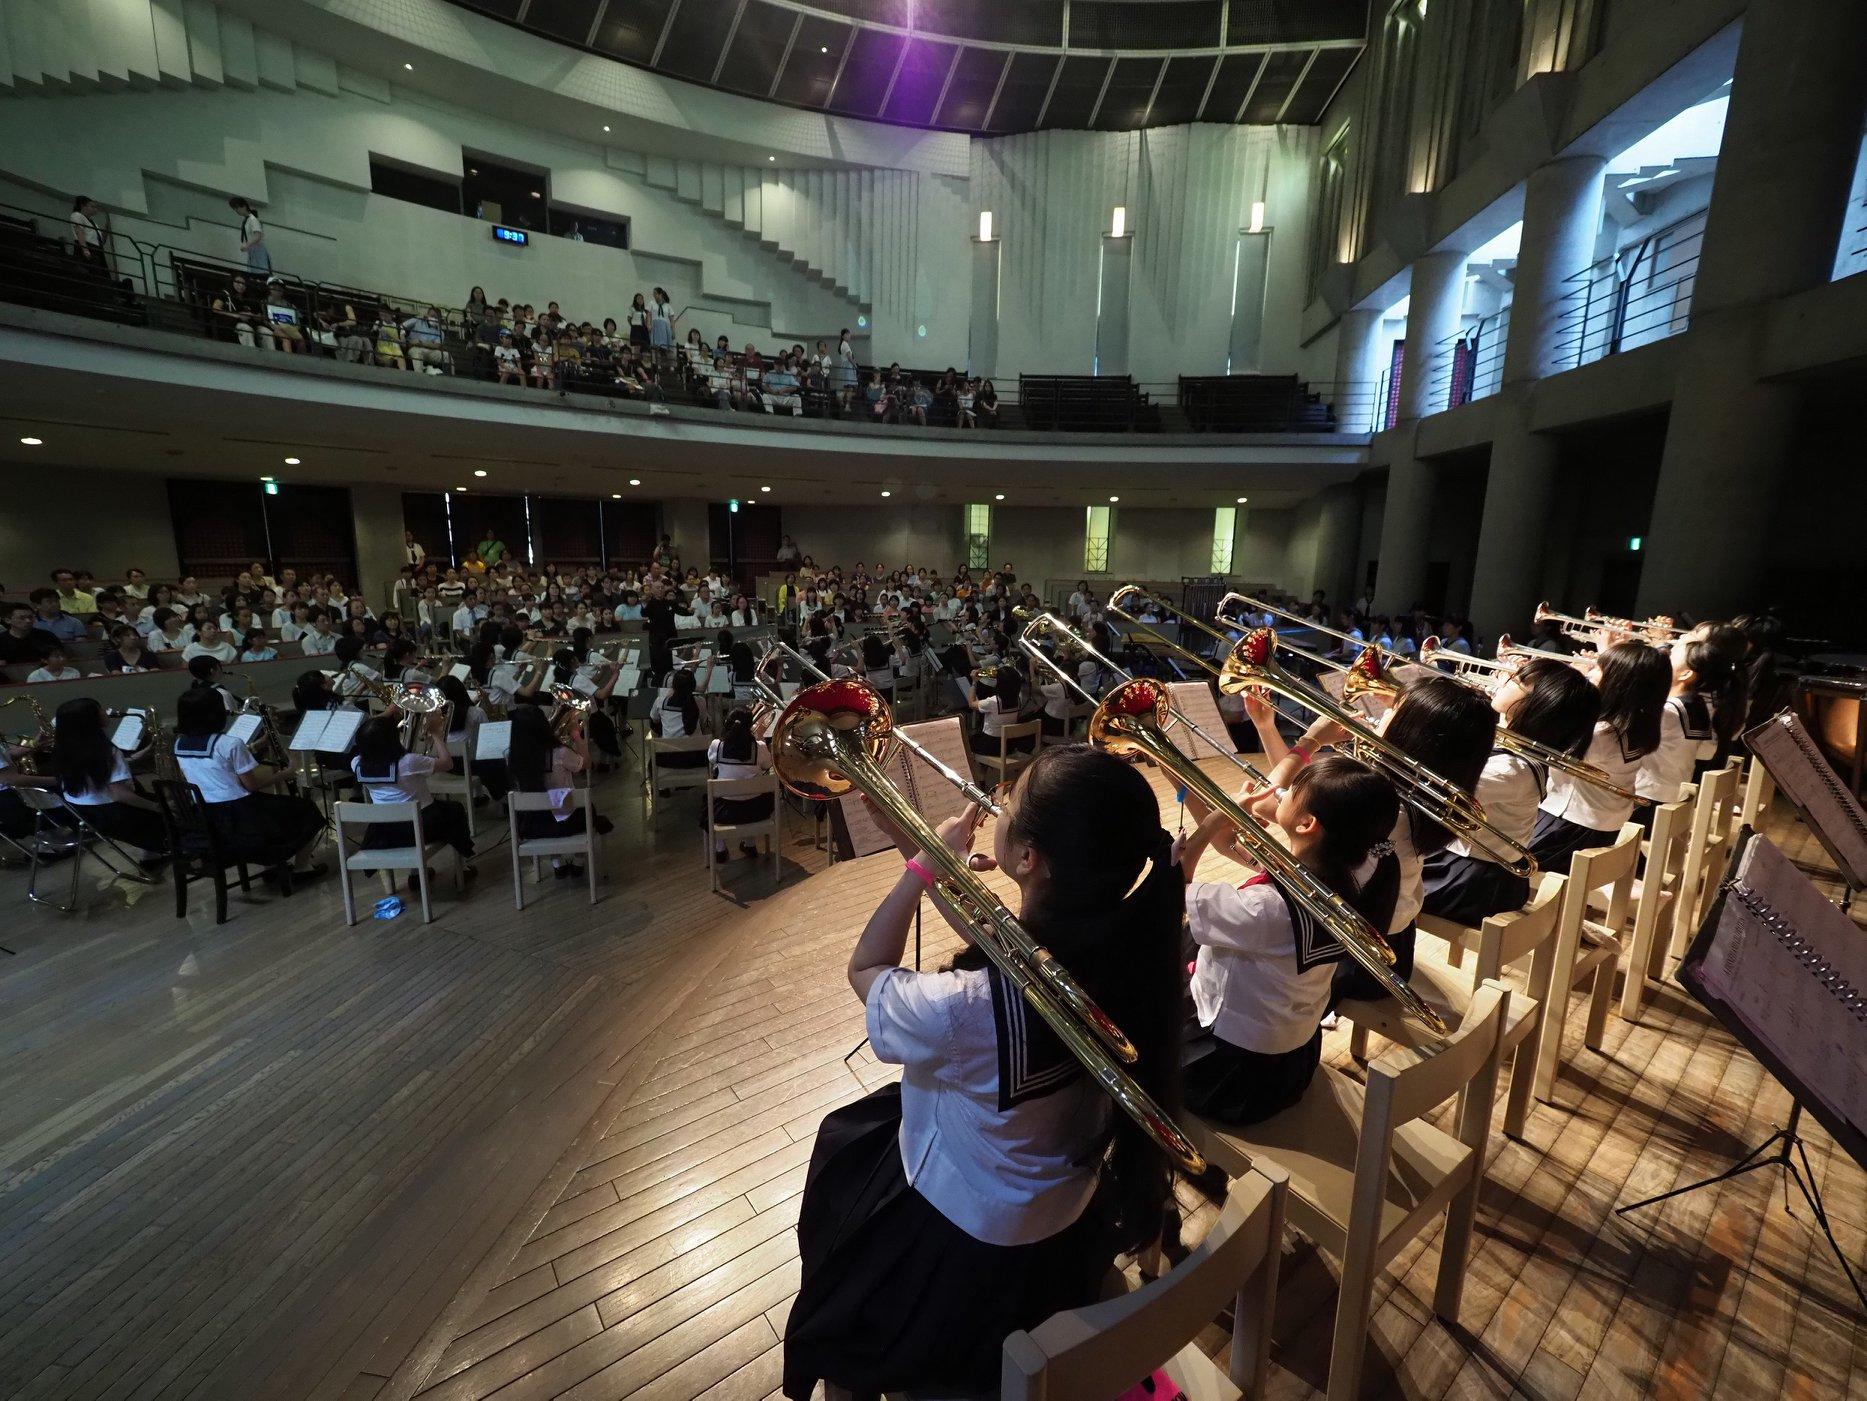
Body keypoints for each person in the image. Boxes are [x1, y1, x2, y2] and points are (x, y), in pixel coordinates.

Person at [782, 746, 1185, 1399]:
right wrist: (911, 843)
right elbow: (1006, 944)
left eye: (1008, 802)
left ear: (1028, 859)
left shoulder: (963, 1009)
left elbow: (866, 969)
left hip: (963, 1255)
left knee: (845, 1161)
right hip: (1064, 1228)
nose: (995, 804)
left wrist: (917, 867)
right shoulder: (1132, 943)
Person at [1177, 755, 1400, 1124]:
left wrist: (1212, 824)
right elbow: (1250, 858)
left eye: (1292, 789)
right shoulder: (1362, 873)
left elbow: (1173, 889)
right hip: (1291, 1060)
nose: (1281, 789)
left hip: (1228, 1072)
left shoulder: (1264, 907)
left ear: (1308, 823)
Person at [1422, 659, 1600, 925]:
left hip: (1470, 883)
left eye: (1517, 679)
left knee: (1376, 890)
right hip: (1480, 872)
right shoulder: (1517, 751)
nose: (1505, 677)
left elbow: (1429, 789)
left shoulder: (1512, 768)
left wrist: (1402, 721)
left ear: (1536, 706)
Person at [1530, 641, 1670, 874]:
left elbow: (1534, 746)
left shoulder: (1599, 735)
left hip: (1569, 832)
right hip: (1603, 829)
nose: (1590, 672)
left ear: (1618, 684)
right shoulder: (1633, 726)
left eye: (1598, 668)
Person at [171, 687, 326, 879]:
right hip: (240, 817)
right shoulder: (229, 743)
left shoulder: (179, 743)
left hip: (206, 815)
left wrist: (256, 745)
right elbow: (251, 785)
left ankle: (273, 867)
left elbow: (217, 766)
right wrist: (286, 772)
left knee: (281, 807)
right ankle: (301, 867)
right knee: (306, 808)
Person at [349, 714, 476, 880]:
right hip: (421, 826)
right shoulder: (409, 762)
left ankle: (415, 874)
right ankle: (463, 867)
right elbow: (447, 763)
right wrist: (436, 733)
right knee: (455, 809)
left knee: (424, 814)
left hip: (385, 830)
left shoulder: (356, 763)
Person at [1635, 624, 1745, 811]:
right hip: (1667, 800)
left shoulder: (1671, 711)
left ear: (1686, 674)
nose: (1664, 658)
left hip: (1645, 802)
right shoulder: (1696, 705)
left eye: (1669, 658)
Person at [49, 697, 168, 855]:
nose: (106, 712)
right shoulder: (107, 752)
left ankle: (151, 854)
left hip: (83, 815)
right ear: (91, 720)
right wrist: (156, 808)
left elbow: (102, 769)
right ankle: (156, 852)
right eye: (101, 710)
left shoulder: (64, 748)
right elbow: (120, 795)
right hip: (113, 816)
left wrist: (146, 750)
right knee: (170, 807)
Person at [505, 704, 595, 878]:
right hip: (565, 823)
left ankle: (557, 863)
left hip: (534, 825)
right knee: (587, 808)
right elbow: (587, 763)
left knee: (544, 808)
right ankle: (578, 861)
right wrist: (576, 735)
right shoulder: (560, 753)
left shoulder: (512, 758)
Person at [707, 707, 773, 862]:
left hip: (725, 811)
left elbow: (712, 761)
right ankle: (750, 844)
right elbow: (767, 765)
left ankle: (720, 848)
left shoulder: (717, 745)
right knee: (752, 794)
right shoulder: (759, 747)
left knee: (709, 803)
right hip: (756, 810)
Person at [966, 664, 1032, 758]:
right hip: (1008, 745)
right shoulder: (1019, 699)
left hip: (990, 745)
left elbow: (971, 703)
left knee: (970, 741)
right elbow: (1009, 681)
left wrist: (974, 682)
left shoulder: (992, 702)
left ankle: (980, 769)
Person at [229, 196, 269, 272]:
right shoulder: (247, 220)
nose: (236, 210)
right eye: (234, 209)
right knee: (253, 271)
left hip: (257, 249)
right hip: (252, 249)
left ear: (243, 206)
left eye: (236, 208)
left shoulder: (253, 219)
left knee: (259, 272)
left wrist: (247, 245)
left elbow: (258, 235)